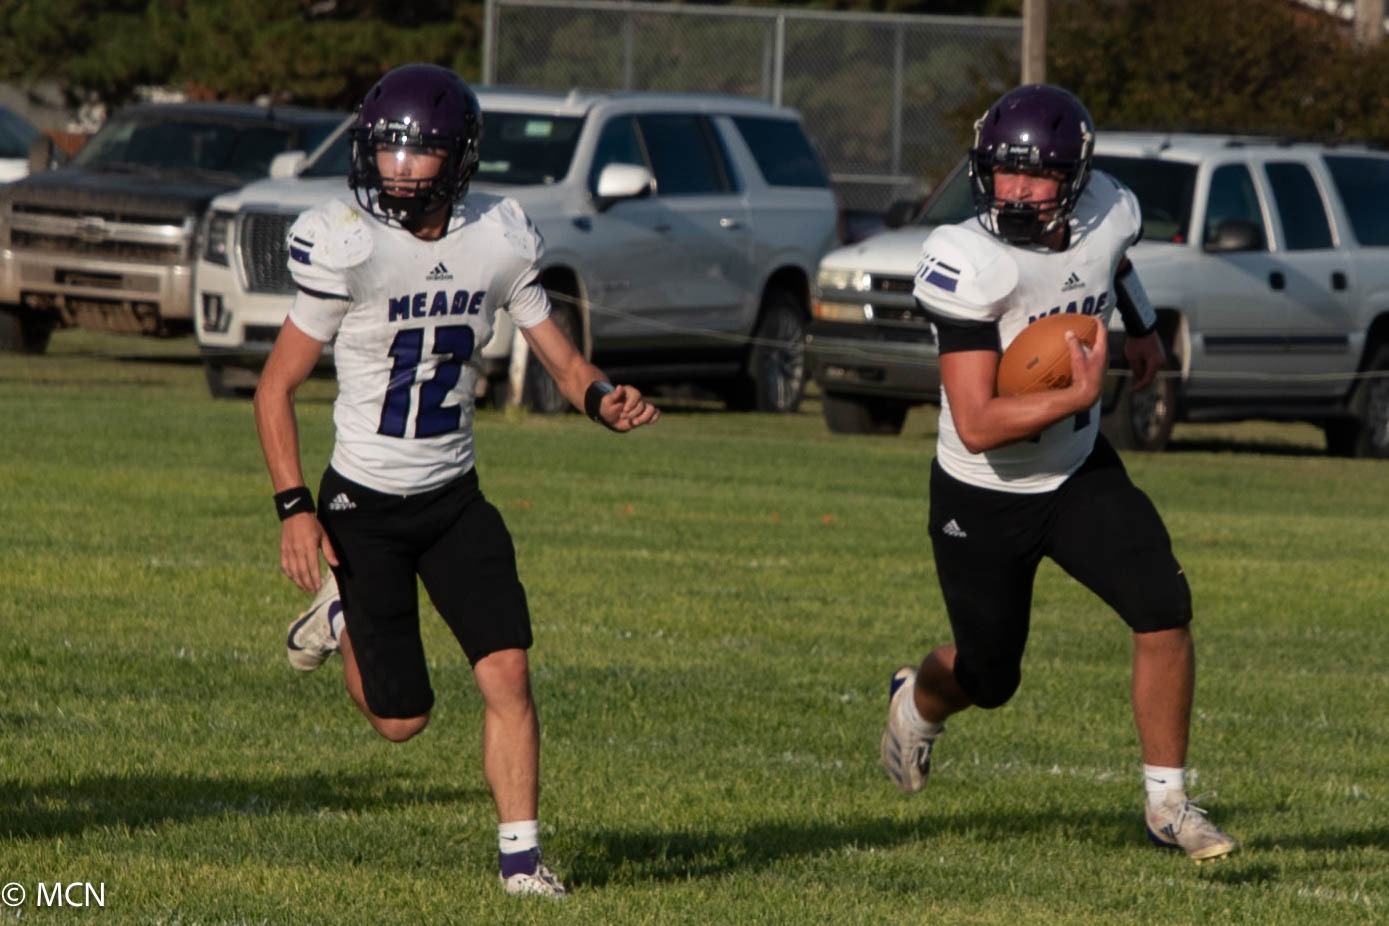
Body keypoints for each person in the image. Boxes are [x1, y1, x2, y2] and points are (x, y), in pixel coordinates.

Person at [254, 62, 660, 897]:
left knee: (507, 672)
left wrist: (600, 398)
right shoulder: (349, 244)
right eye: (386, 149)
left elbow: (563, 360)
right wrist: (295, 508)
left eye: (418, 151)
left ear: (459, 157)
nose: (398, 168)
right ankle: (342, 613)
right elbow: (274, 388)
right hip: (362, 507)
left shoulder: (497, 238)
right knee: (401, 721)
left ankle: (521, 863)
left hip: (452, 500)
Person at [879, 83, 1237, 861]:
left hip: (1076, 470)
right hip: (984, 492)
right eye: (1002, 172)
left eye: (1036, 175)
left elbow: (1113, 259)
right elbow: (976, 423)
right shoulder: (967, 259)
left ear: (1075, 178)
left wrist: (1140, 326)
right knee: (989, 677)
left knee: (1161, 606)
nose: (1014, 190)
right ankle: (917, 701)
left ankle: (1167, 803)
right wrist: (1078, 394)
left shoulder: (1110, 207)